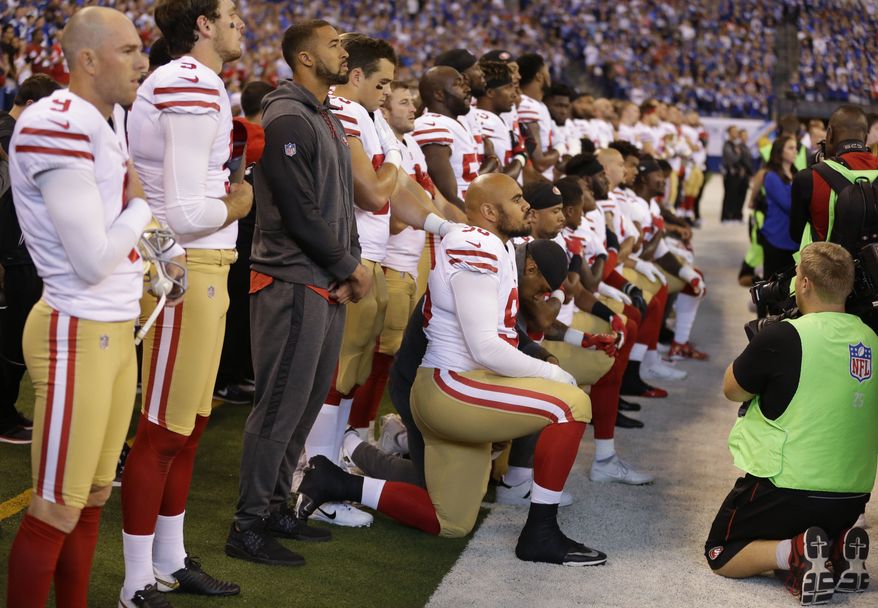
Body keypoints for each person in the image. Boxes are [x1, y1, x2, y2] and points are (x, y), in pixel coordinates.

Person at [296, 173, 607, 566]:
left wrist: (440, 222)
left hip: (457, 383)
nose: (526, 205)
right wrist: (552, 375)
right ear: (491, 212)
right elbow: (485, 347)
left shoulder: (484, 241)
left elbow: (404, 191)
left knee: (452, 520)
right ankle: (540, 533)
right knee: (571, 404)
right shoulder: (477, 246)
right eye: (516, 199)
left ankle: (334, 480)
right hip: (451, 384)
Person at [5, 7, 154, 607]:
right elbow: (92, 259)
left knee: (91, 497)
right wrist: (142, 207)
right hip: (76, 327)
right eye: (127, 49)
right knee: (54, 506)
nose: (141, 59)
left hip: (111, 328)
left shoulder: (103, 119)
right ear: (87, 60)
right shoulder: (57, 120)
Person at [121, 0, 253, 602]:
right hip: (187, 263)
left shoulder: (193, 83)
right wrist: (239, 203)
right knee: (162, 429)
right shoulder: (188, 83)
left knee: (191, 423)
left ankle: (169, 560)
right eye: (231, 13)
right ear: (203, 24)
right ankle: (135, 580)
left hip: (200, 265)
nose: (240, 23)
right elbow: (184, 213)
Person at [227, 18, 363, 567]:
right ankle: (248, 524)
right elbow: (299, 211)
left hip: (321, 280)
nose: (342, 50)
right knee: (279, 404)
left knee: (304, 403)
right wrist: (349, 264)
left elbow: (337, 203)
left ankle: (279, 503)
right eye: (333, 44)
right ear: (305, 58)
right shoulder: (287, 115)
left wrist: (343, 267)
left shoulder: (321, 113)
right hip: (292, 277)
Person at [705, 242, 876, 605]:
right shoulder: (872, 339)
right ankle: (835, 546)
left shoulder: (784, 336)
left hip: (785, 487)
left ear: (805, 285)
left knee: (720, 552)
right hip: (854, 495)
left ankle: (794, 551)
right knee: (816, 521)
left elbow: (732, 390)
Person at [0, 73, 61, 445]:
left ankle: (6, 409)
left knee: (17, 337)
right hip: (12, 253)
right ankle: (2, 414)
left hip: (19, 250)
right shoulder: (8, 133)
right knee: (11, 339)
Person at [213, 79, 274, 405]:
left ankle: (234, 372)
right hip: (241, 233)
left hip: (234, 232)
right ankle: (226, 377)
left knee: (238, 310)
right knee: (236, 311)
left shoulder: (235, 130)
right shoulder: (253, 134)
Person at [790, 104, 878, 250]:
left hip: (824, 270)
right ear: (866, 137)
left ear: (829, 133)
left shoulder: (808, 178)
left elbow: (795, 234)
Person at [760, 134, 799, 279]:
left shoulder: (796, 174)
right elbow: (788, 205)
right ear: (780, 151)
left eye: (796, 148)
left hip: (793, 240)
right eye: (790, 148)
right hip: (776, 237)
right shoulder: (771, 176)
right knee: (772, 285)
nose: (795, 151)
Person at [516, 53, 558, 179]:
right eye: (547, 71)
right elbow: (539, 163)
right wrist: (560, 149)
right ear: (539, 76)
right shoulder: (526, 104)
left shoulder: (540, 105)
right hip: (538, 182)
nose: (549, 75)